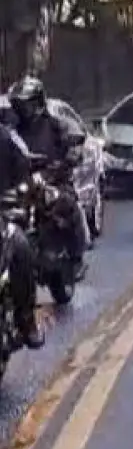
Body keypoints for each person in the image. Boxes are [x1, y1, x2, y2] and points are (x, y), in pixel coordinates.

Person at [7, 75, 87, 275]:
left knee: (67, 204)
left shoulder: (56, 125)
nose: (22, 111)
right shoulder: (12, 132)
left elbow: (75, 140)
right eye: (18, 106)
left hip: (54, 180)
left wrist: (69, 156)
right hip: (22, 182)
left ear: (38, 102)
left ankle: (76, 257)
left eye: (26, 105)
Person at [0, 121, 44, 349]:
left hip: (2, 213)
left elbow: (26, 167)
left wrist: (20, 195)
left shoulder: (7, 137)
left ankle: (26, 321)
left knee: (21, 249)